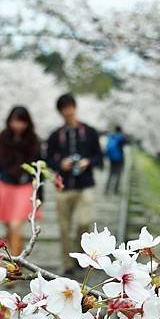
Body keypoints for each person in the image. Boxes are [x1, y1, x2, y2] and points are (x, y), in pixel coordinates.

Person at [46, 93, 103, 275]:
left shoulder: (89, 132)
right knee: (64, 227)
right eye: (64, 108)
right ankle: (67, 263)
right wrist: (60, 164)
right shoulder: (56, 135)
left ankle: (80, 256)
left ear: (75, 107)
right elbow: (47, 158)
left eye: (70, 107)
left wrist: (88, 162)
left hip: (85, 184)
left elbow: (99, 156)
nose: (68, 111)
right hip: (63, 187)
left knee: (83, 222)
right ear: (60, 111)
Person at [0, 107, 42, 256]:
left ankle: (14, 268)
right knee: (9, 228)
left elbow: (38, 167)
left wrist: (40, 194)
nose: (18, 125)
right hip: (6, 186)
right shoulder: (2, 138)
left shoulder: (33, 140)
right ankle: (14, 258)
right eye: (15, 121)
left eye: (22, 122)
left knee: (15, 226)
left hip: (25, 188)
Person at [104, 125, 128, 195]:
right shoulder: (121, 138)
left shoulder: (111, 136)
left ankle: (106, 190)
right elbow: (127, 143)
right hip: (120, 159)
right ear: (121, 130)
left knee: (110, 174)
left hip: (112, 159)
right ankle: (116, 190)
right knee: (118, 175)